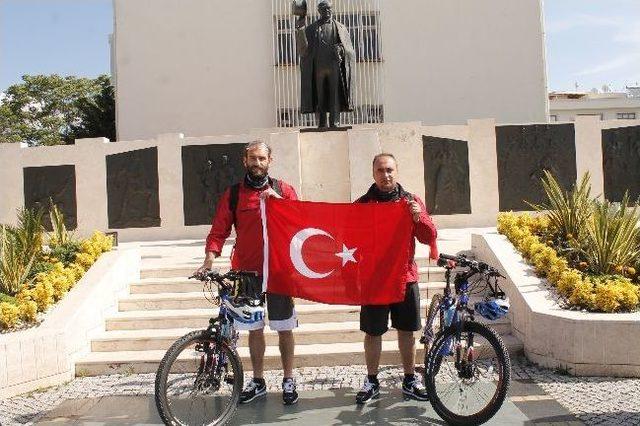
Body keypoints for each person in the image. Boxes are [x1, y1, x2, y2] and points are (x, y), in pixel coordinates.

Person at [195, 141, 300, 405]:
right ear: (245, 161)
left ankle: (289, 379)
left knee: (284, 327)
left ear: (269, 161)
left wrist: (279, 203)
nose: (257, 163)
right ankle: (258, 380)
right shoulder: (233, 194)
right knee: (254, 328)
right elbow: (219, 230)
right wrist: (209, 259)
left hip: (278, 270)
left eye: (261, 158)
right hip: (247, 271)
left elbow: (300, 221)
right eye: (252, 158)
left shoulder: (283, 190)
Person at [354, 153, 439, 405]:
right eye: (380, 170)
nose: (385, 174)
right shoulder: (362, 204)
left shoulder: (411, 201)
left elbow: (428, 236)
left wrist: (418, 217)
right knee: (373, 332)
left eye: (389, 169)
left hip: (405, 277)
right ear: (373, 174)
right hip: (375, 281)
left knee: (407, 331)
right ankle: (371, 380)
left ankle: (410, 378)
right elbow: (350, 239)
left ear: (397, 171)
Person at [295, 0, 355, 128]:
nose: (327, 11)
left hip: (334, 66)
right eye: (324, 9)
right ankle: (322, 123)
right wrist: (300, 27)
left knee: (335, 94)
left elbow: (349, 50)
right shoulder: (311, 29)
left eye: (329, 9)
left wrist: (341, 50)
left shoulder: (341, 28)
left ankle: (335, 122)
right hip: (318, 67)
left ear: (331, 10)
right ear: (319, 11)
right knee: (320, 94)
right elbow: (302, 50)